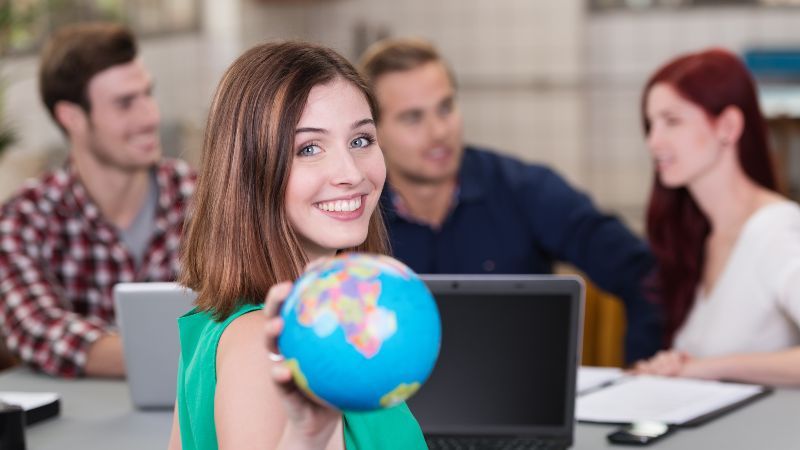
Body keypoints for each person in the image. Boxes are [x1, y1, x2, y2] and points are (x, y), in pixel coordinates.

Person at [169, 41, 426, 449]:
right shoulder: (261, 348)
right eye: (309, 148)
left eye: (361, 140)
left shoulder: (317, 323)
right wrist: (308, 435)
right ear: (251, 173)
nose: (350, 173)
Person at [358, 38, 661, 363]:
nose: (438, 131)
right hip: (391, 406)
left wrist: (643, 371)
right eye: (413, 118)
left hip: (519, 406)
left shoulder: (526, 189)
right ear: (375, 132)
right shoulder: (354, 213)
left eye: (445, 108)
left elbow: (644, 274)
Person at [0, 23, 195, 378]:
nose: (151, 116)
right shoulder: (24, 219)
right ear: (71, 118)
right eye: (125, 103)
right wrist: (200, 352)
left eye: (147, 94)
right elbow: (37, 329)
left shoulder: (202, 197)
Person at [632, 49, 800, 386]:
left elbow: (707, 367)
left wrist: (707, 367)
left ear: (728, 126)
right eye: (651, 124)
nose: (653, 141)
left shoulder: (776, 230)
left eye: (672, 121)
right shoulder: (699, 237)